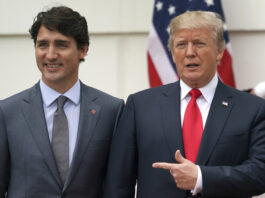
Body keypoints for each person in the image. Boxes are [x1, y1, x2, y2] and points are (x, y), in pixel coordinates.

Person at [103, 11, 265, 198]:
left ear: (220, 51)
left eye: (199, 43)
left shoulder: (253, 108)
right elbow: (118, 183)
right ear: (172, 53)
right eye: (181, 45)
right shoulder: (139, 106)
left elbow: (260, 173)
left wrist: (201, 178)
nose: (189, 52)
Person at [0, 6, 124, 198]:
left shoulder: (112, 111)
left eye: (61, 45)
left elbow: (117, 187)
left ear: (83, 50)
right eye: (42, 45)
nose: (50, 55)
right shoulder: (7, 112)